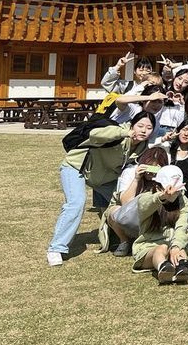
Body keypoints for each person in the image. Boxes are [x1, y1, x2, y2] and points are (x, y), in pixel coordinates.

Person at [46, 111, 153, 266]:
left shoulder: (142, 146)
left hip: (104, 178)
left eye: (149, 128)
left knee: (125, 202)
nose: (143, 130)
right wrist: (124, 133)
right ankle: (56, 248)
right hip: (77, 167)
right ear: (132, 125)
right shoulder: (118, 132)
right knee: (76, 203)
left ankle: (125, 239)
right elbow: (95, 134)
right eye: (140, 126)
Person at [131, 164, 188, 284]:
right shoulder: (146, 197)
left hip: (173, 242)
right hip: (149, 246)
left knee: (180, 250)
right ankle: (164, 268)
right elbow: (144, 205)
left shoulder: (183, 201)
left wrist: (176, 246)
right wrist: (162, 196)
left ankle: (182, 268)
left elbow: (182, 226)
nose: (174, 193)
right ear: (158, 186)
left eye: (178, 190)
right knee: (162, 248)